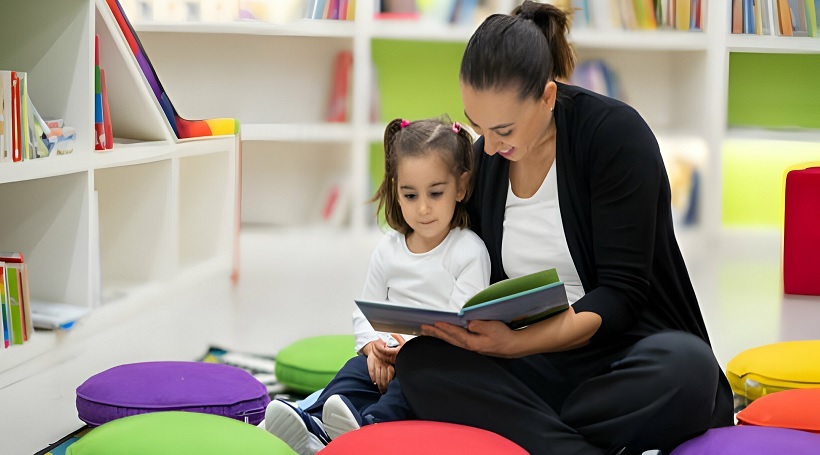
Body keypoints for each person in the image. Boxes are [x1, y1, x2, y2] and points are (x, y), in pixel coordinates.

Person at [394, 2, 735, 455]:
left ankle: (533, 433)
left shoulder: (614, 136)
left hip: (618, 355)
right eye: (477, 125)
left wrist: (513, 345)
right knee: (419, 362)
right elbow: (456, 265)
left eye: (503, 129)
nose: (488, 147)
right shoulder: (487, 161)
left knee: (689, 370)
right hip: (533, 364)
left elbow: (620, 297)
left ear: (548, 97)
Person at [264, 116, 491, 455]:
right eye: (410, 195)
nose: (423, 207)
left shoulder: (468, 251)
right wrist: (373, 348)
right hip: (386, 355)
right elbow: (365, 311)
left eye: (436, 193)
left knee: (411, 384)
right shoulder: (389, 248)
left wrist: (407, 353)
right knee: (353, 372)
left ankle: (369, 429)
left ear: (461, 186)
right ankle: (315, 421)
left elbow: (460, 327)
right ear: (396, 192)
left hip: (435, 365)